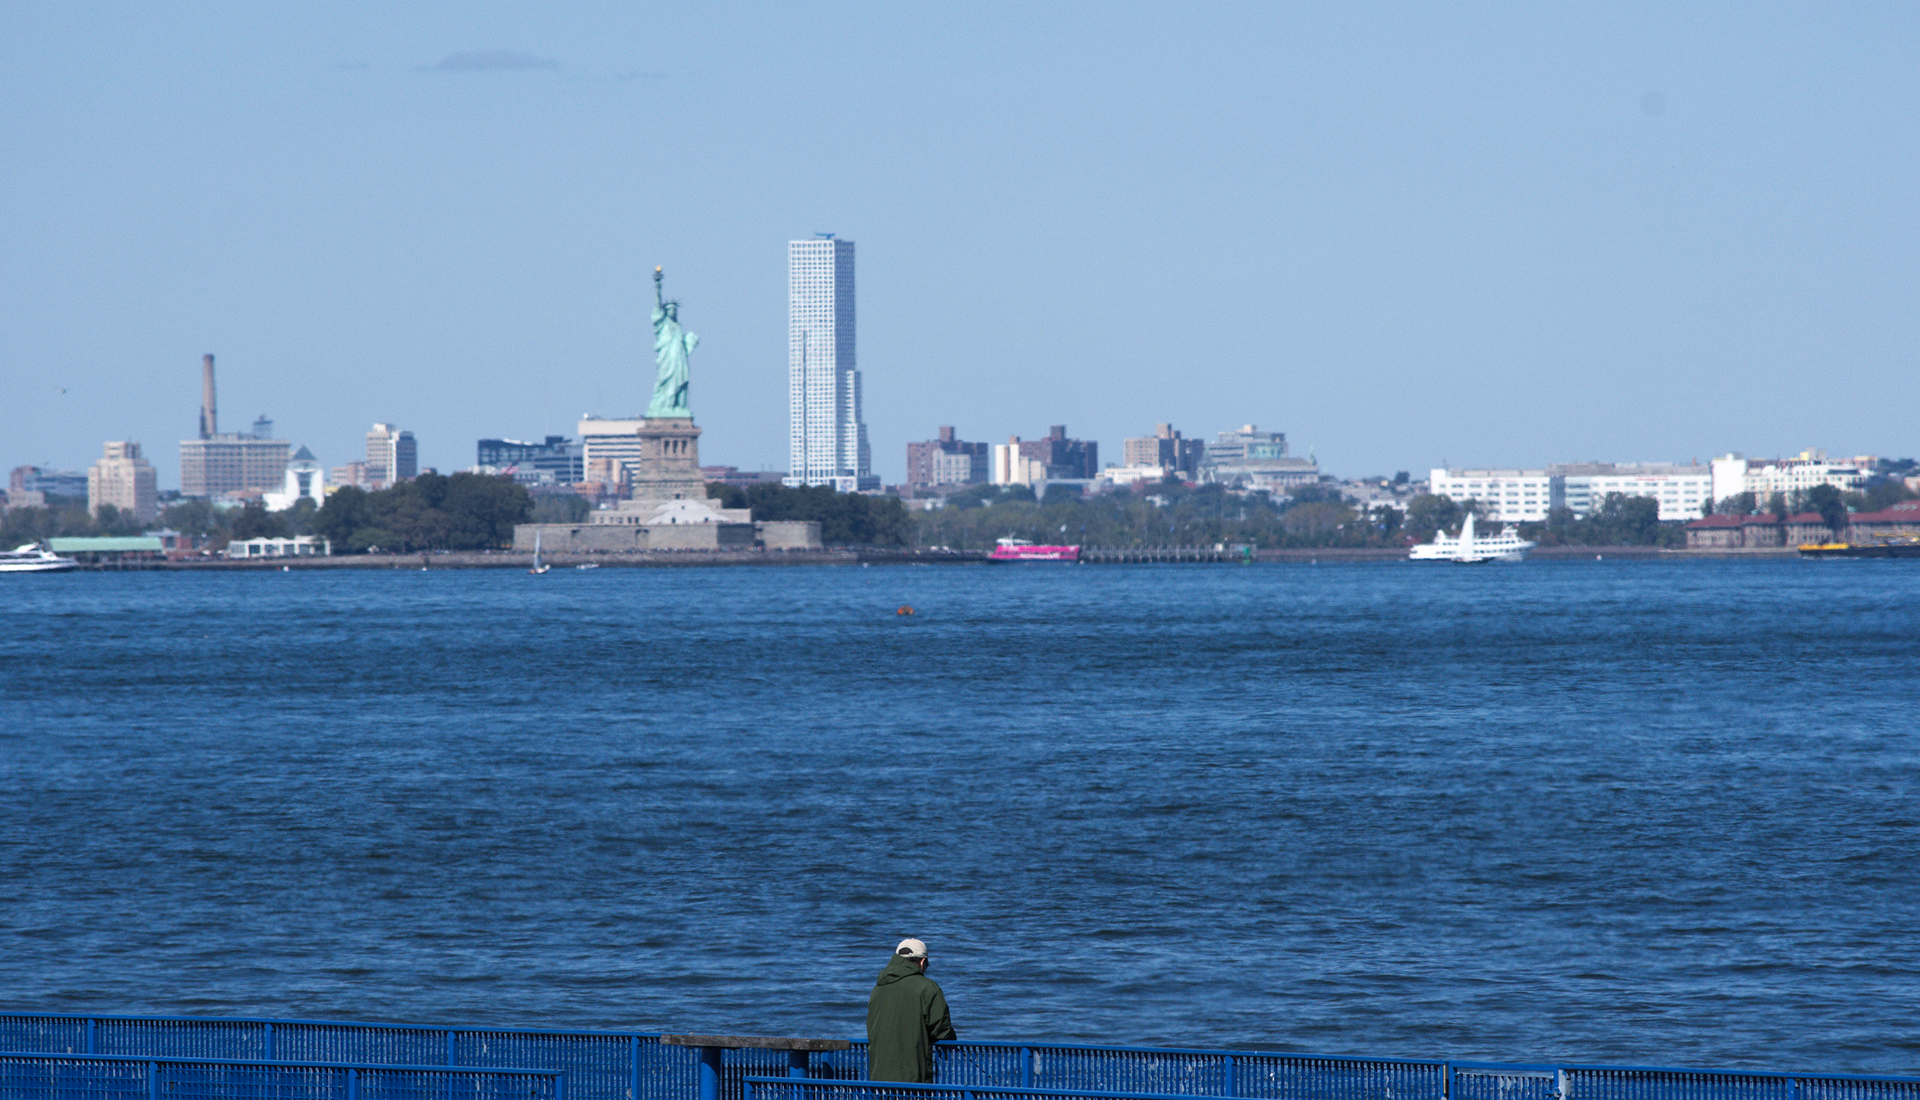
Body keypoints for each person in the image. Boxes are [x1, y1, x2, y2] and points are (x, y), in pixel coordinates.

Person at [865, 937, 956, 1083]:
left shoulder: (878, 989)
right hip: (913, 1080)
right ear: (922, 961)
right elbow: (941, 1031)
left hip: (878, 1078)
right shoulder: (927, 988)